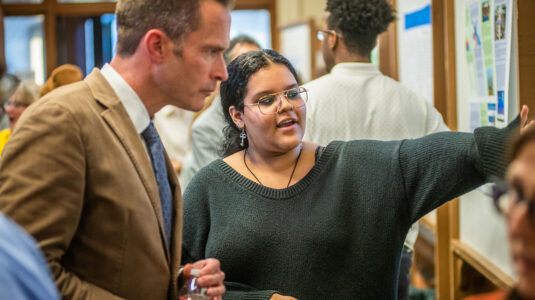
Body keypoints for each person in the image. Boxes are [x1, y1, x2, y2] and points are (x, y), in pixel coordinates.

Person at [181, 49, 531, 300]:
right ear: (238, 115)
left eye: (291, 93)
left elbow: (458, 155)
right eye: (267, 99)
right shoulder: (208, 188)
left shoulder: (363, 169)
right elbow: (182, 283)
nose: (286, 105)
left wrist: (515, 143)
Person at [0, 0, 229, 299]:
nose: (222, 72)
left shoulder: (141, 124)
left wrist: (178, 283)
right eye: (211, 51)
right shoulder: (62, 120)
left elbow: (115, 263)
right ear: (157, 46)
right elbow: (21, 272)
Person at [302, 1, 449, 298]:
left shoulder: (306, 100)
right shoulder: (412, 102)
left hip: (324, 255)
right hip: (394, 256)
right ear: (374, 39)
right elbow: (448, 158)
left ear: (332, 38)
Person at [180, 34, 260, 188]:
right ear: (225, 73)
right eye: (246, 70)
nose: (254, 77)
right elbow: (221, 187)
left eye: (258, 67)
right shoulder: (205, 128)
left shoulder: (263, 111)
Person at [0, 80, 40, 156]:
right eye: (9, 103)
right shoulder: (1, 137)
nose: (8, 109)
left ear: (33, 107)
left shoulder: (42, 141)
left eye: (17, 104)